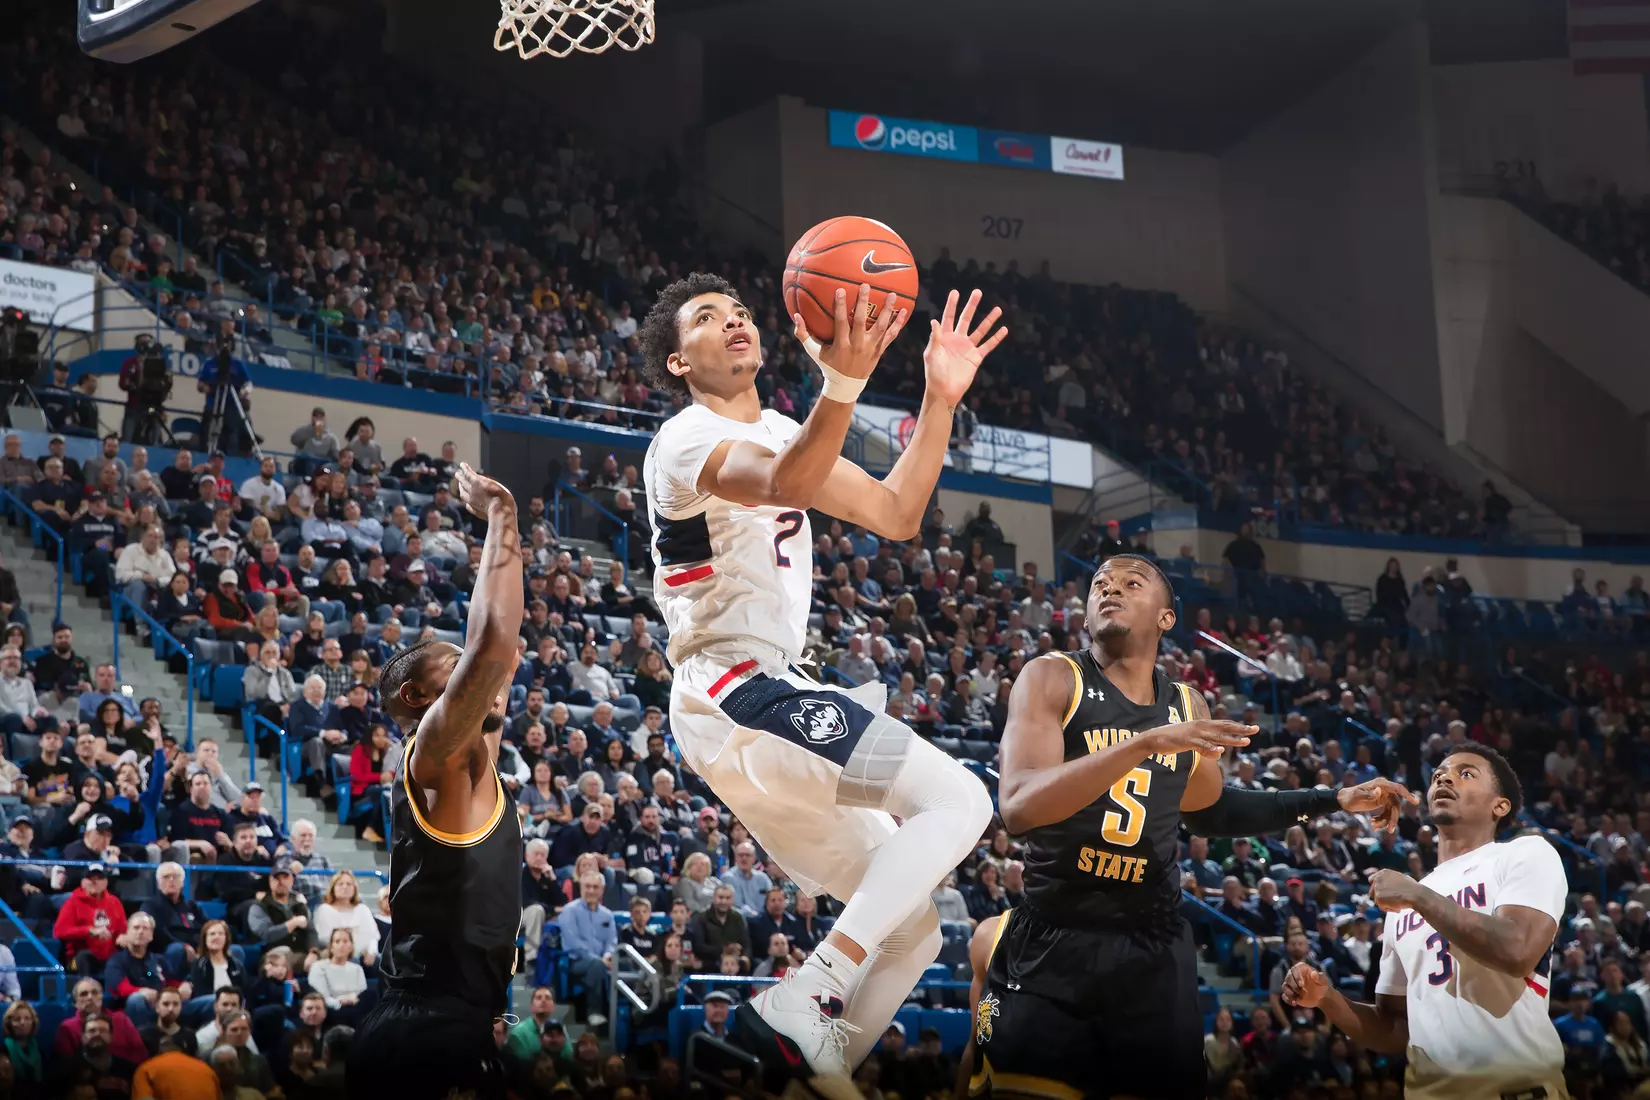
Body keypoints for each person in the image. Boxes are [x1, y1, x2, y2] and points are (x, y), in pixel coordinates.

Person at [639, 275, 1002, 1078]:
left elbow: (899, 513)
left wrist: (940, 398)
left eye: (737, 310)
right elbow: (787, 483)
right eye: (707, 318)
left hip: (749, 705)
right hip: (733, 689)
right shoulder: (686, 437)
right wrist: (842, 384)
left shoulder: (779, 427)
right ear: (677, 361)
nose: (731, 320)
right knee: (961, 798)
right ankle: (814, 987)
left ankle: (819, 1073)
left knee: (915, 929)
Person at [984, 554, 1412, 1099]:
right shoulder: (1051, 677)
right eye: (1099, 585)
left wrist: (1331, 798)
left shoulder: (1187, 704)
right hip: (1055, 936)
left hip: (1152, 952)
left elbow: (1213, 811)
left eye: (1130, 584)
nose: (1109, 589)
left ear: (1166, 618)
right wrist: (1142, 744)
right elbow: (1019, 807)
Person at [348, 464, 524, 1100]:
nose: (479, 681)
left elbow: (504, 648)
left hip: (449, 1018)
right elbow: (495, 644)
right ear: (414, 696)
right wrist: (501, 516)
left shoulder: (476, 753)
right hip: (426, 1029)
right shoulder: (437, 756)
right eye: (454, 672)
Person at [1285, 744, 1568, 1099]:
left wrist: (1419, 897)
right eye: (1438, 774)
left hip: (1516, 1089)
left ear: (1500, 805)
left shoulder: (1523, 853)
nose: (1445, 777)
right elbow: (1396, 1027)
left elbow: (1516, 949)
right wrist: (1328, 999)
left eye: (1466, 773)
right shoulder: (1405, 900)